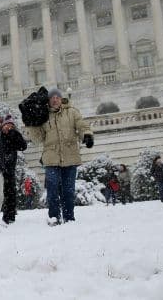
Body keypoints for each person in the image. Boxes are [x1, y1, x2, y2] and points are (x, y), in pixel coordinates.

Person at [24, 87, 93, 226]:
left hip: (70, 156)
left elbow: (81, 125)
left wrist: (87, 135)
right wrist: (30, 124)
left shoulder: (72, 112)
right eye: (52, 98)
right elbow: (38, 139)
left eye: (57, 97)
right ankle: (54, 216)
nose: (55, 100)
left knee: (68, 190)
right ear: (48, 101)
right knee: (52, 189)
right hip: (51, 158)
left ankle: (69, 217)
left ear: (61, 99)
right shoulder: (43, 116)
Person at [0, 115, 27, 224]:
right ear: (3, 125)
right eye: (7, 125)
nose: (9, 127)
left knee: (10, 192)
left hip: (10, 168)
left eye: (11, 125)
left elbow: (23, 146)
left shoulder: (14, 135)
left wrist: (14, 134)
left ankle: (10, 215)